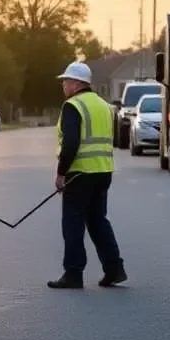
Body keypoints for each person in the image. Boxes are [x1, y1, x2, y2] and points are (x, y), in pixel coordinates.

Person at [47, 61, 127, 290]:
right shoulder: (103, 105)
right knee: (98, 221)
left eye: (65, 81)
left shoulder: (73, 105)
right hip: (103, 171)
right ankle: (114, 269)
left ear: (75, 83)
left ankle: (73, 273)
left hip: (79, 172)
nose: (63, 85)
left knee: (73, 223)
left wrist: (61, 173)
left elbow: (71, 142)